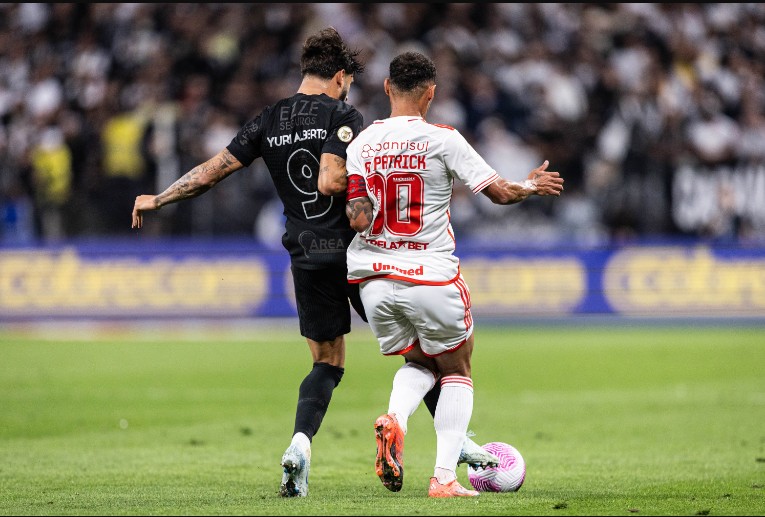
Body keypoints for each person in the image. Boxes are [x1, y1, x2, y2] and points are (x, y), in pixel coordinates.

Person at [131, 28, 493, 498]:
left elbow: (212, 171)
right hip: (355, 257)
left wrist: (159, 198)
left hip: (304, 253)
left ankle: (299, 446)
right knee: (422, 351)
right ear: (340, 76)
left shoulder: (269, 118)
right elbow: (330, 178)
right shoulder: (342, 114)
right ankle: (455, 443)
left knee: (327, 363)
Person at [342, 51, 564, 498]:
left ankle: (396, 418)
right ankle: (443, 477)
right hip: (430, 274)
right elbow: (499, 194)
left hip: (372, 280)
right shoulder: (442, 138)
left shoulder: (361, 143)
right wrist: (529, 186)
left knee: (418, 360)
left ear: (387, 89)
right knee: (457, 368)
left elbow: (357, 217)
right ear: (431, 94)